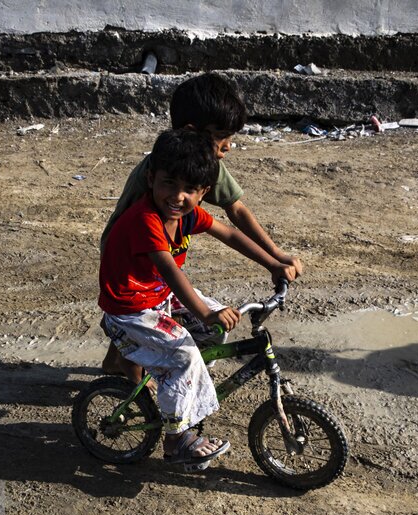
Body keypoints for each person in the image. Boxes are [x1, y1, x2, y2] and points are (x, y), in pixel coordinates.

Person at [99, 129, 293, 467]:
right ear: (150, 179)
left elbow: (230, 233)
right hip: (130, 310)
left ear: (203, 192)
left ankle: (177, 386)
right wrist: (203, 313)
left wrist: (274, 263)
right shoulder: (146, 219)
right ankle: (177, 441)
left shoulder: (187, 214)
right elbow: (172, 273)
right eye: (168, 184)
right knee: (187, 355)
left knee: (217, 329)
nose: (177, 196)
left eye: (189, 189)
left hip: (155, 298)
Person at [101, 72, 300, 374]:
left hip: (155, 259)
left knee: (148, 319)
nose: (229, 146)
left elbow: (235, 214)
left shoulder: (200, 167)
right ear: (194, 131)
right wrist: (206, 313)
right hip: (131, 258)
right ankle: (128, 376)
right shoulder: (169, 172)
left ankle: (122, 364)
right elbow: (165, 265)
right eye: (222, 135)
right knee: (139, 321)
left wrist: (275, 257)